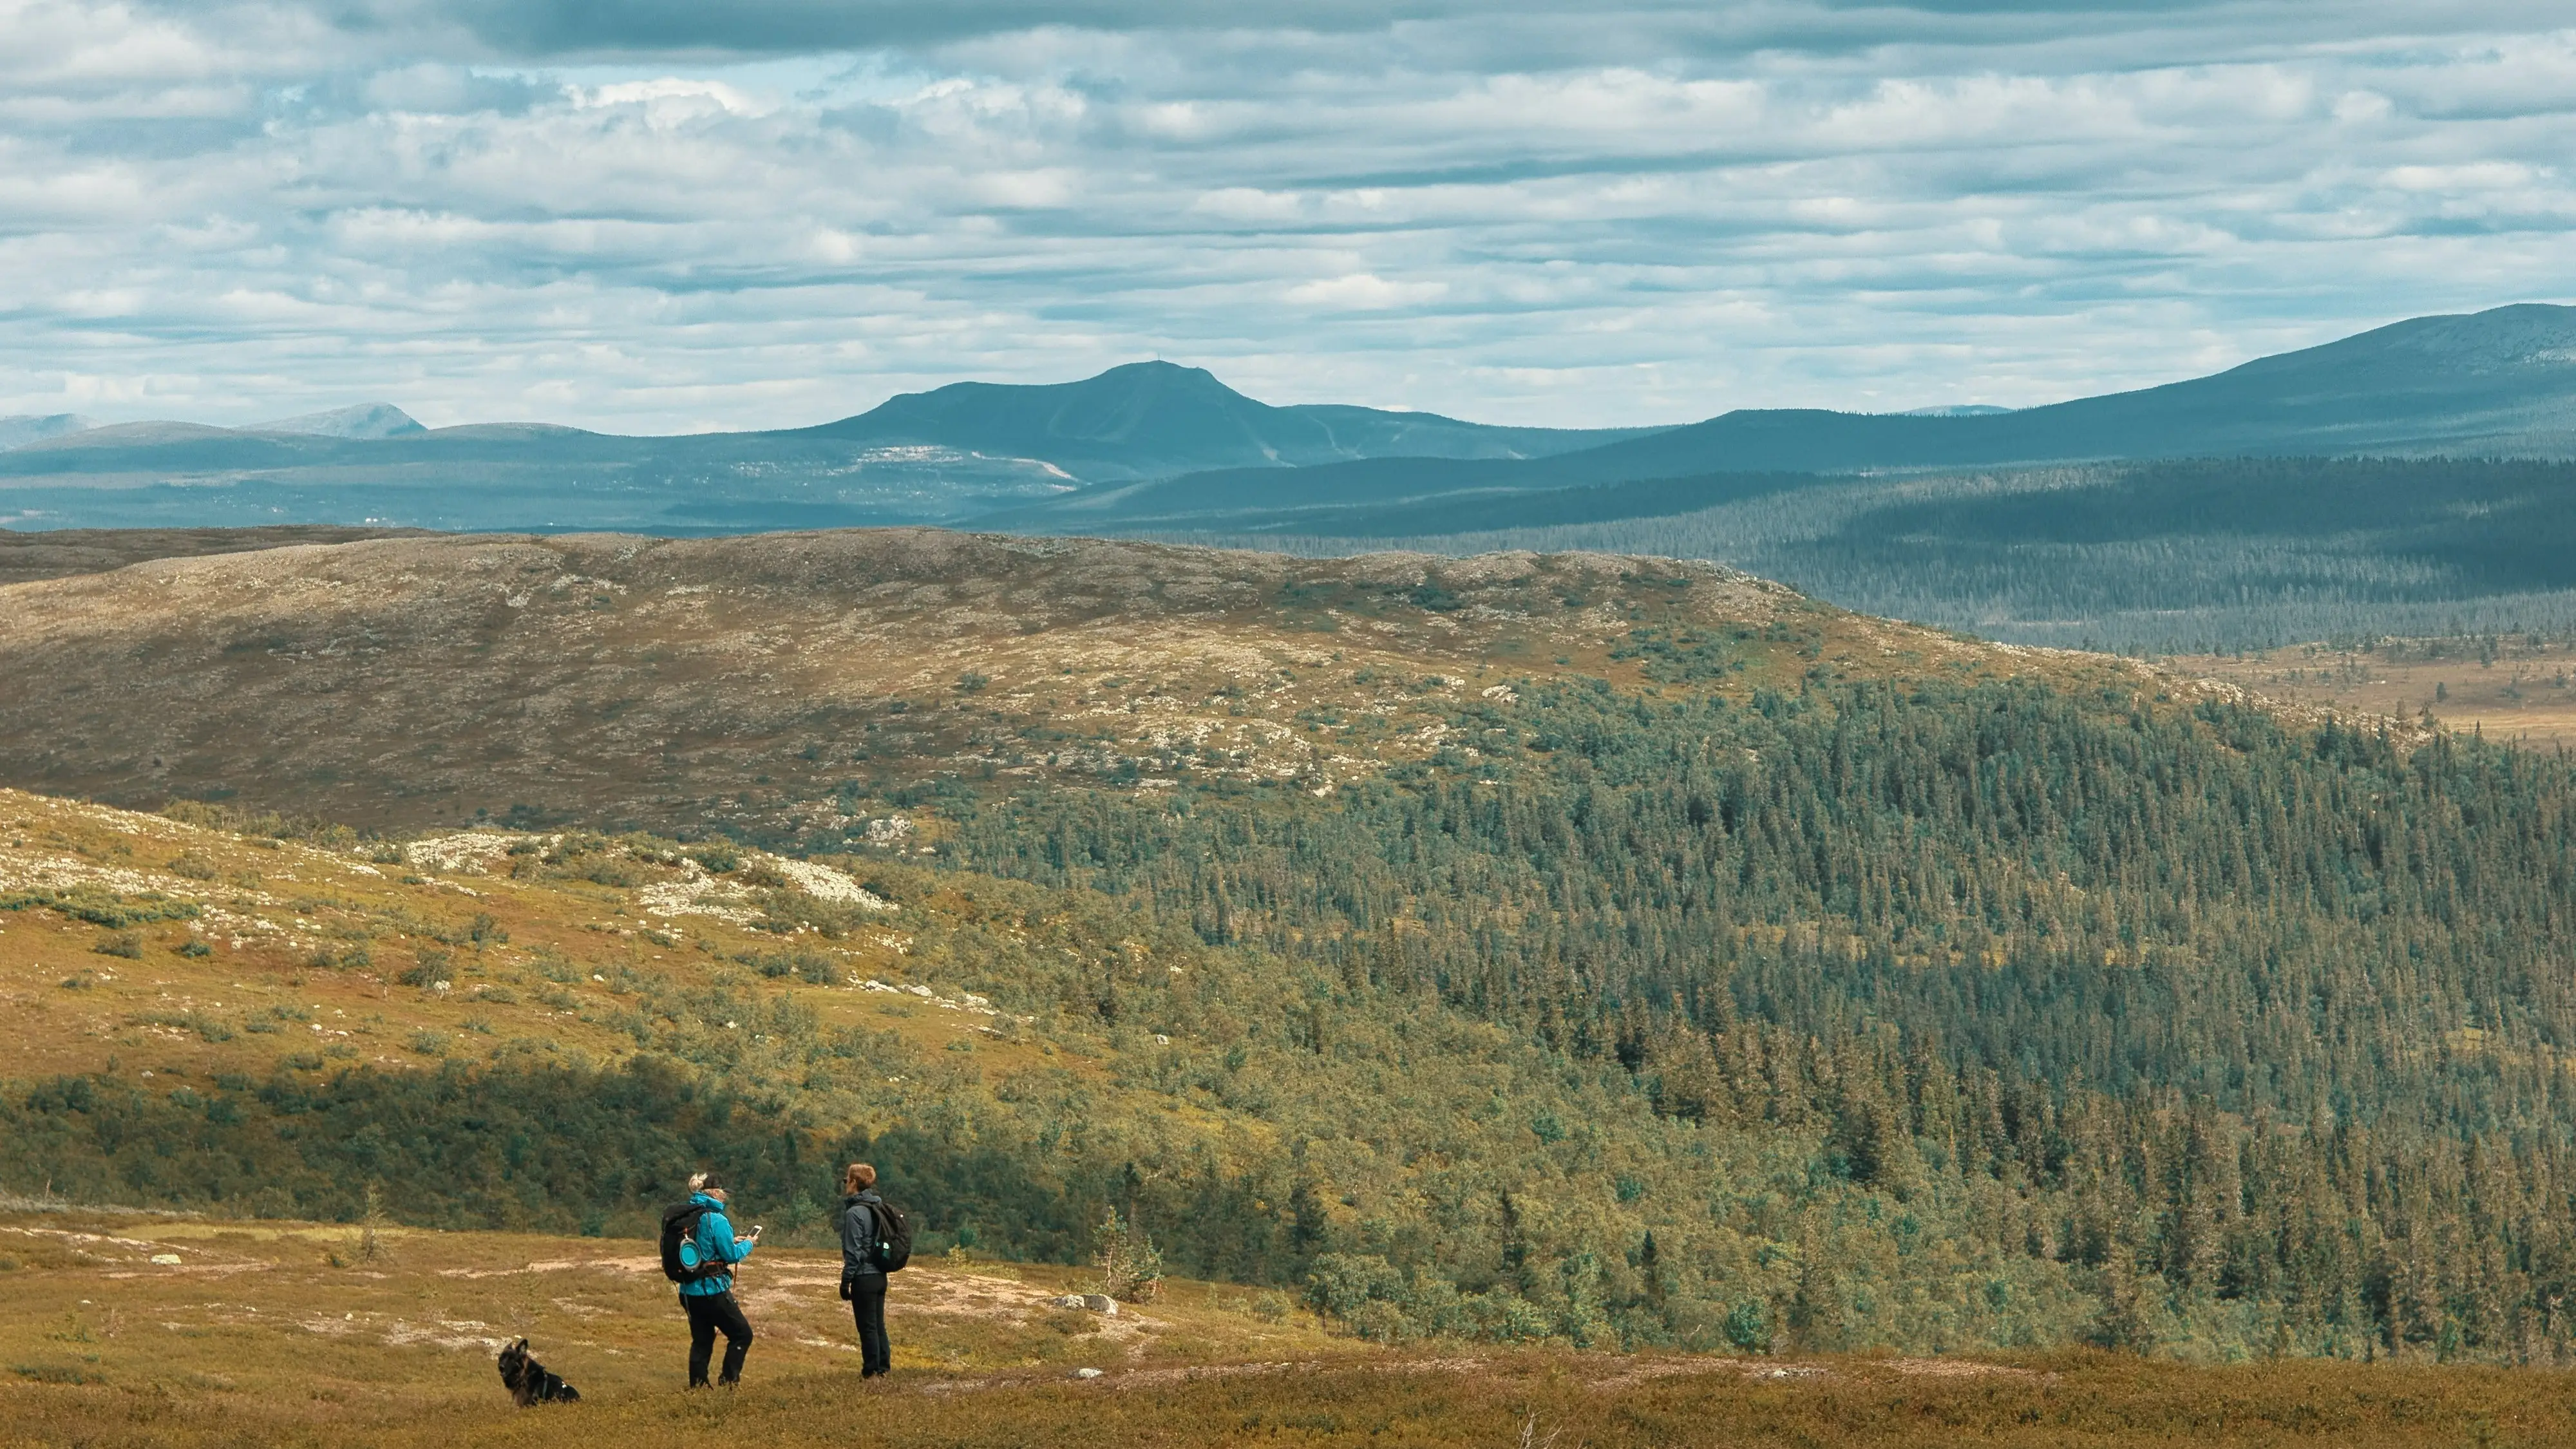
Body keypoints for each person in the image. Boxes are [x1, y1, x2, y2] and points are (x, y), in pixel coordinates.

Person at [677, 1171, 760, 1388]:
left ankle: (698, 1387)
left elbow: (701, 1247)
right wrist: (749, 1243)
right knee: (742, 1334)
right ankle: (729, 1381)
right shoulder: (717, 1219)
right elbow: (732, 1255)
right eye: (723, 1192)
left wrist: (730, 1240)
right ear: (714, 1192)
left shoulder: (687, 1216)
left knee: (702, 1340)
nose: (725, 1197)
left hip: (688, 1291)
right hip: (712, 1291)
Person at [838, 1162, 892, 1377]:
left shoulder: (855, 1213)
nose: (845, 1184)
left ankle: (871, 1372)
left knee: (867, 1327)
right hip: (880, 1274)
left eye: (846, 1180)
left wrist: (845, 1282)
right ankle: (883, 1368)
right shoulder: (877, 1206)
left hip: (864, 1277)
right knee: (878, 1324)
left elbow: (853, 1252)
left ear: (853, 1183)